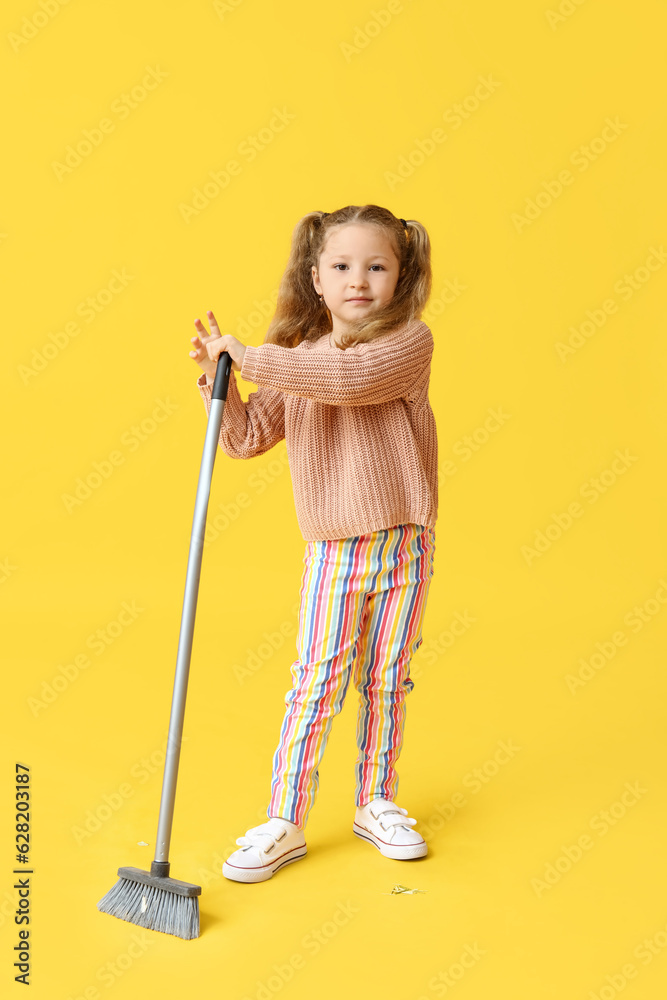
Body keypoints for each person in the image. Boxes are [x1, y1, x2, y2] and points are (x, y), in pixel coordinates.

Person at [188, 204, 438, 882]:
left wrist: (256, 355)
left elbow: (349, 381)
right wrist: (225, 382)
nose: (358, 280)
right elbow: (243, 439)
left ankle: (375, 801)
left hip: (401, 545)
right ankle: (285, 818)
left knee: (387, 678)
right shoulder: (296, 363)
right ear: (316, 279)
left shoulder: (407, 344)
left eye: (376, 266)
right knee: (317, 680)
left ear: (400, 276)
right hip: (334, 552)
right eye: (341, 266)